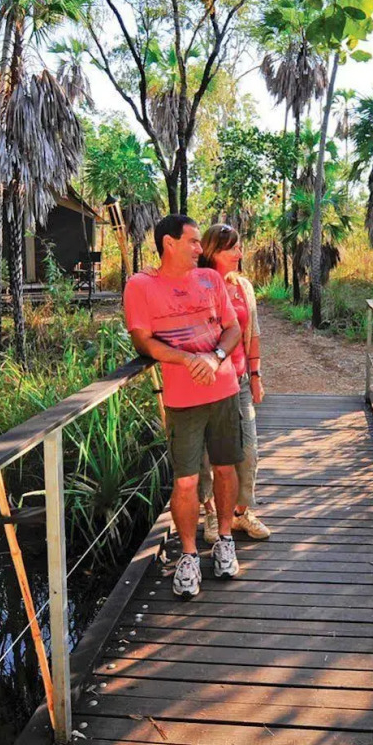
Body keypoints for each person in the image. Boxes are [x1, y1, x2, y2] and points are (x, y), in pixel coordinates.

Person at [122, 214, 244, 598]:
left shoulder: (210, 279)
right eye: (192, 241)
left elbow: (233, 327)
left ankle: (224, 539)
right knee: (186, 480)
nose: (199, 248)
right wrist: (185, 359)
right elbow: (144, 343)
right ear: (168, 243)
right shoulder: (141, 285)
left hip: (224, 389)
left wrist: (215, 356)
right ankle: (189, 555)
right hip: (183, 399)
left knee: (226, 469)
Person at [195, 224, 271, 542]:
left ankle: (240, 513)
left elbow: (252, 334)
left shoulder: (244, 287)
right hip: (204, 383)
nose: (240, 254)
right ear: (213, 252)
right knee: (206, 454)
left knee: (249, 450)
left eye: (239, 247)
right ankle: (212, 513)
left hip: (238, 381)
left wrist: (255, 376)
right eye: (232, 249)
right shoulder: (196, 285)